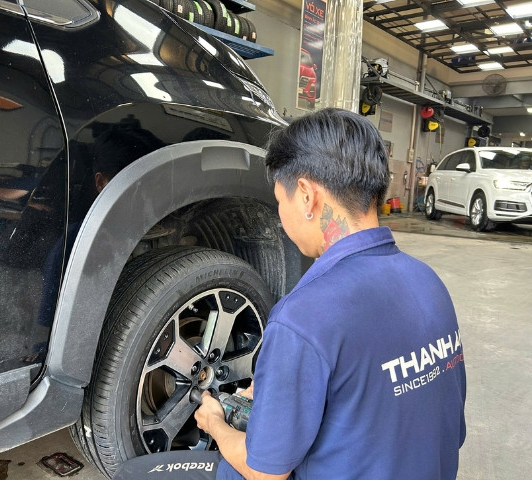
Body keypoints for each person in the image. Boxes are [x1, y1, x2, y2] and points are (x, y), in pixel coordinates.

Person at [194, 107, 467, 479]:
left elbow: (266, 474)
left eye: (280, 201)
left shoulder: (304, 316)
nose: (280, 216)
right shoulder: (428, 282)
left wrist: (214, 424)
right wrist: (284, 387)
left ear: (306, 196)